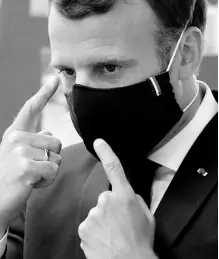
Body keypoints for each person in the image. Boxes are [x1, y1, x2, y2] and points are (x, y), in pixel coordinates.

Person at [0, 0, 217, 258]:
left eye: (109, 68)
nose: (82, 98)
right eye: (67, 71)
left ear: (186, 54)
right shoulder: (45, 184)